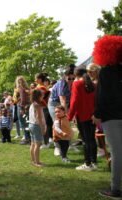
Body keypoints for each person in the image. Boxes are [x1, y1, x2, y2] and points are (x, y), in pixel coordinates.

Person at [91, 35, 122, 199]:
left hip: (111, 116)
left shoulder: (106, 72)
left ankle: (115, 189)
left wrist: (97, 114)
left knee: (117, 153)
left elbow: (102, 97)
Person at [68, 67, 97, 171]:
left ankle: (88, 164)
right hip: (93, 116)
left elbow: (74, 101)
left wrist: (69, 117)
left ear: (76, 75)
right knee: (92, 139)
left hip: (83, 116)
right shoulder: (93, 84)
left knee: (86, 140)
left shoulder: (77, 84)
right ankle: (94, 162)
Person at [48, 64, 75, 156]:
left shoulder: (74, 83)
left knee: (67, 124)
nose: (71, 81)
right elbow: (62, 100)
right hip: (54, 104)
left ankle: (69, 144)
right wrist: (65, 115)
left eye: (73, 79)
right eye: (69, 79)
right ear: (65, 76)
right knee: (57, 124)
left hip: (66, 104)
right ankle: (57, 147)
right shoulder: (61, 84)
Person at [29, 89, 46, 167]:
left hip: (31, 125)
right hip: (36, 125)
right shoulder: (38, 105)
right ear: (39, 96)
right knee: (37, 144)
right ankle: (37, 162)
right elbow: (38, 117)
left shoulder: (32, 104)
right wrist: (42, 127)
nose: (43, 96)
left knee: (33, 144)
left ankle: (33, 160)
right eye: (42, 95)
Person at [13, 76, 30, 141]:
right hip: (27, 106)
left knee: (23, 123)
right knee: (26, 122)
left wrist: (22, 107)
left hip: (21, 106)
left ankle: (26, 138)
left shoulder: (20, 88)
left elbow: (22, 98)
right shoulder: (26, 88)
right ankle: (27, 137)